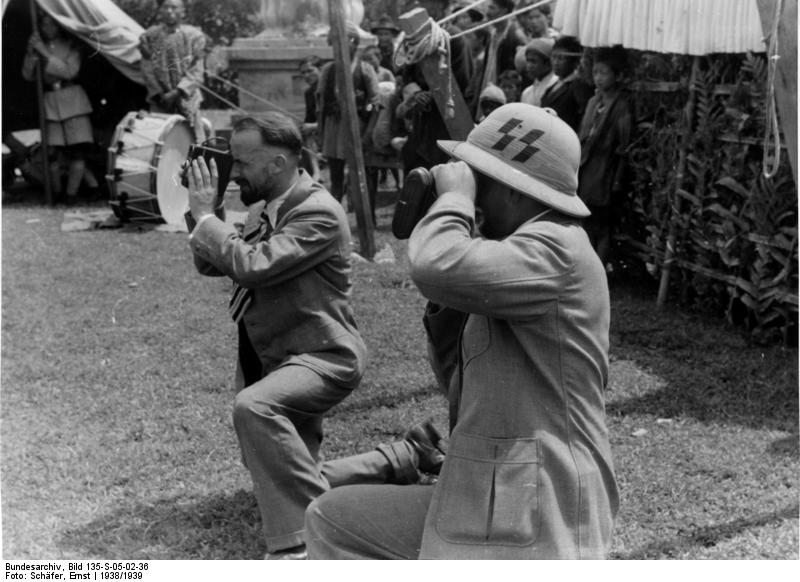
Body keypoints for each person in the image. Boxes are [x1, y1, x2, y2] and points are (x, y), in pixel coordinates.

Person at [304, 103, 619, 559]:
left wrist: (453, 201)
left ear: (515, 191)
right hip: (492, 486)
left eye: (480, 179)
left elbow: (434, 265)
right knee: (334, 519)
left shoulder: (558, 249)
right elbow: (456, 365)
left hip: (541, 501)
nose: (472, 190)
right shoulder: (516, 250)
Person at [184, 113, 444, 559]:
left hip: (324, 357)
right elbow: (212, 262)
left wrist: (207, 217)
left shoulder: (318, 211)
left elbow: (253, 265)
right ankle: (406, 455)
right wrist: (206, 213)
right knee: (284, 472)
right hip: (273, 357)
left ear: (278, 163)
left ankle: (299, 544)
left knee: (254, 409)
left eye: (242, 162)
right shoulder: (264, 206)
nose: (234, 171)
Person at [22, 12, 101, 203]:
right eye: (44, 25)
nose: (48, 29)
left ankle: (71, 194)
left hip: (73, 102)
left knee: (77, 150)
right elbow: (27, 75)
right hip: (51, 103)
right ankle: (57, 191)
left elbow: (70, 72)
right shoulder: (38, 46)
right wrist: (31, 54)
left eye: (52, 24)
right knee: (52, 153)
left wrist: (44, 52)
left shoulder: (71, 46)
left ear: (59, 26)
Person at [577, 45, 633, 269]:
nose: (598, 78)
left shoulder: (621, 106)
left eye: (604, 73)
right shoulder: (593, 103)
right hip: (587, 170)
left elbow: (624, 146)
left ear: (617, 76)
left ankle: (598, 270)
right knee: (585, 221)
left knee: (601, 226)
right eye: (595, 72)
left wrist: (617, 180)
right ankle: (585, 268)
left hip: (606, 171)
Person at [317, 21, 379, 203]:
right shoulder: (328, 70)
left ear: (354, 44)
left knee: (361, 176)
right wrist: (320, 133)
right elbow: (321, 105)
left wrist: (368, 134)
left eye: (344, 43)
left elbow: (376, 103)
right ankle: (336, 207)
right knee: (335, 176)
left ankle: (365, 211)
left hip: (358, 129)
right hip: (333, 130)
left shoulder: (364, 69)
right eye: (335, 43)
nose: (339, 48)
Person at [139, 0, 206, 143]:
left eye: (174, 7)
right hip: (160, 101)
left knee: (194, 141)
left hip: (187, 99)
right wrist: (159, 93)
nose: (169, 11)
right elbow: (147, 68)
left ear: (183, 12)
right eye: (166, 7)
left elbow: (197, 70)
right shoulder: (149, 36)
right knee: (157, 141)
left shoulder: (194, 36)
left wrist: (178, 92)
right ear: (160, 11)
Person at [540, 36, 594, 133]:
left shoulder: (579, 87)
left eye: (561, 58)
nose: (556, 62)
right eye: (554, 57)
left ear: (574, 61)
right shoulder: (553, 85)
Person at [298, 56, 322, 181]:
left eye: (310, 71)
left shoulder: (330, 88)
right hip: (319, 129)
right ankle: (315, 172)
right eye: (303, 73)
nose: (306, 75)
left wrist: (313, 126)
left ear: (320, 69)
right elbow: (309, 118)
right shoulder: (309, 93)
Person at [519, 38, 558, 107]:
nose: (529, 66)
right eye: (528, 60)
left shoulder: (556, 88)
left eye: (533, 61)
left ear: (548, 63)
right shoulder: (526, 93)